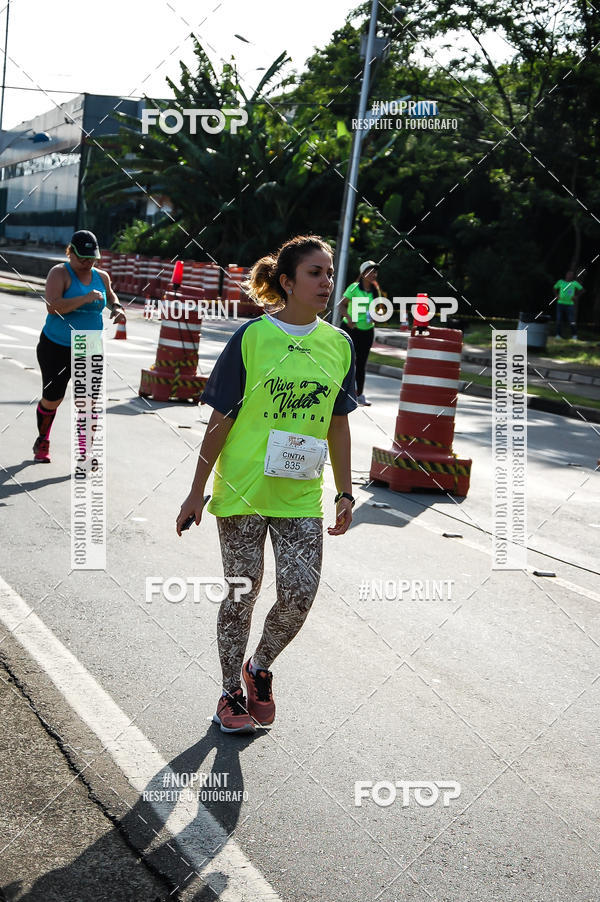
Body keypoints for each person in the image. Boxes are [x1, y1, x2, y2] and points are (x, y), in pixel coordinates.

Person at [176, 235, 357, 734]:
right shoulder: (253, 337)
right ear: (287, 282)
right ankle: (229, 694)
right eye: (315, 273)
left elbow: (339, 423)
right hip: (241, 488)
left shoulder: (337, 345)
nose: (326, 282)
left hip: (300, 494)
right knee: (242, 590)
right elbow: (221, 416)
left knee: (300, 593)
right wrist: (197, 491)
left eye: (329, 273)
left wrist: (344, 492)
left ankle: (258, 668)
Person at [33, 230, 126, 463]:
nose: (87, 263)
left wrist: (117, 309)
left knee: (88, 402)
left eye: (92, 258)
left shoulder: (101, 277)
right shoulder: (59, 273)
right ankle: (43, 438)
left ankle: (85, 454)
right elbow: (52, 307)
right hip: (57, 346)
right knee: (53, 398)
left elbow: (111, 296)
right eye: (82, 257)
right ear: (70, 252)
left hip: (89, 347)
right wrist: (84, 299)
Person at [338, 260, 381, 406]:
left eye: (375, 271)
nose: (374, 274)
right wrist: (349, 319)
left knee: (361, 364)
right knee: (346, 361)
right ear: (363, 274)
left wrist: (377, 315)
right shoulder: (354, 287)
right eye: (370, 271)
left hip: (367, 331)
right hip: (351, 329)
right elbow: (341, 306)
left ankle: (359, 395)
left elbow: (377, 309)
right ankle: (340, 391)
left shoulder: (375, 290)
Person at [553, 270, 583, 341]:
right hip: (560, 303)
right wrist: (556, 295)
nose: (570, 276)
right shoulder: (561, 282)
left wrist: (576, 296)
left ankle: (574, 336)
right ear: (566, 275)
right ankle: (558, 335)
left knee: (571, 320)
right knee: (559, 319)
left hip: (570, 305)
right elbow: (554, 288)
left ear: (572, 276)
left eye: (571, 275)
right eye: (569, 274)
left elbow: (582, 290)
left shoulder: (574, 283)